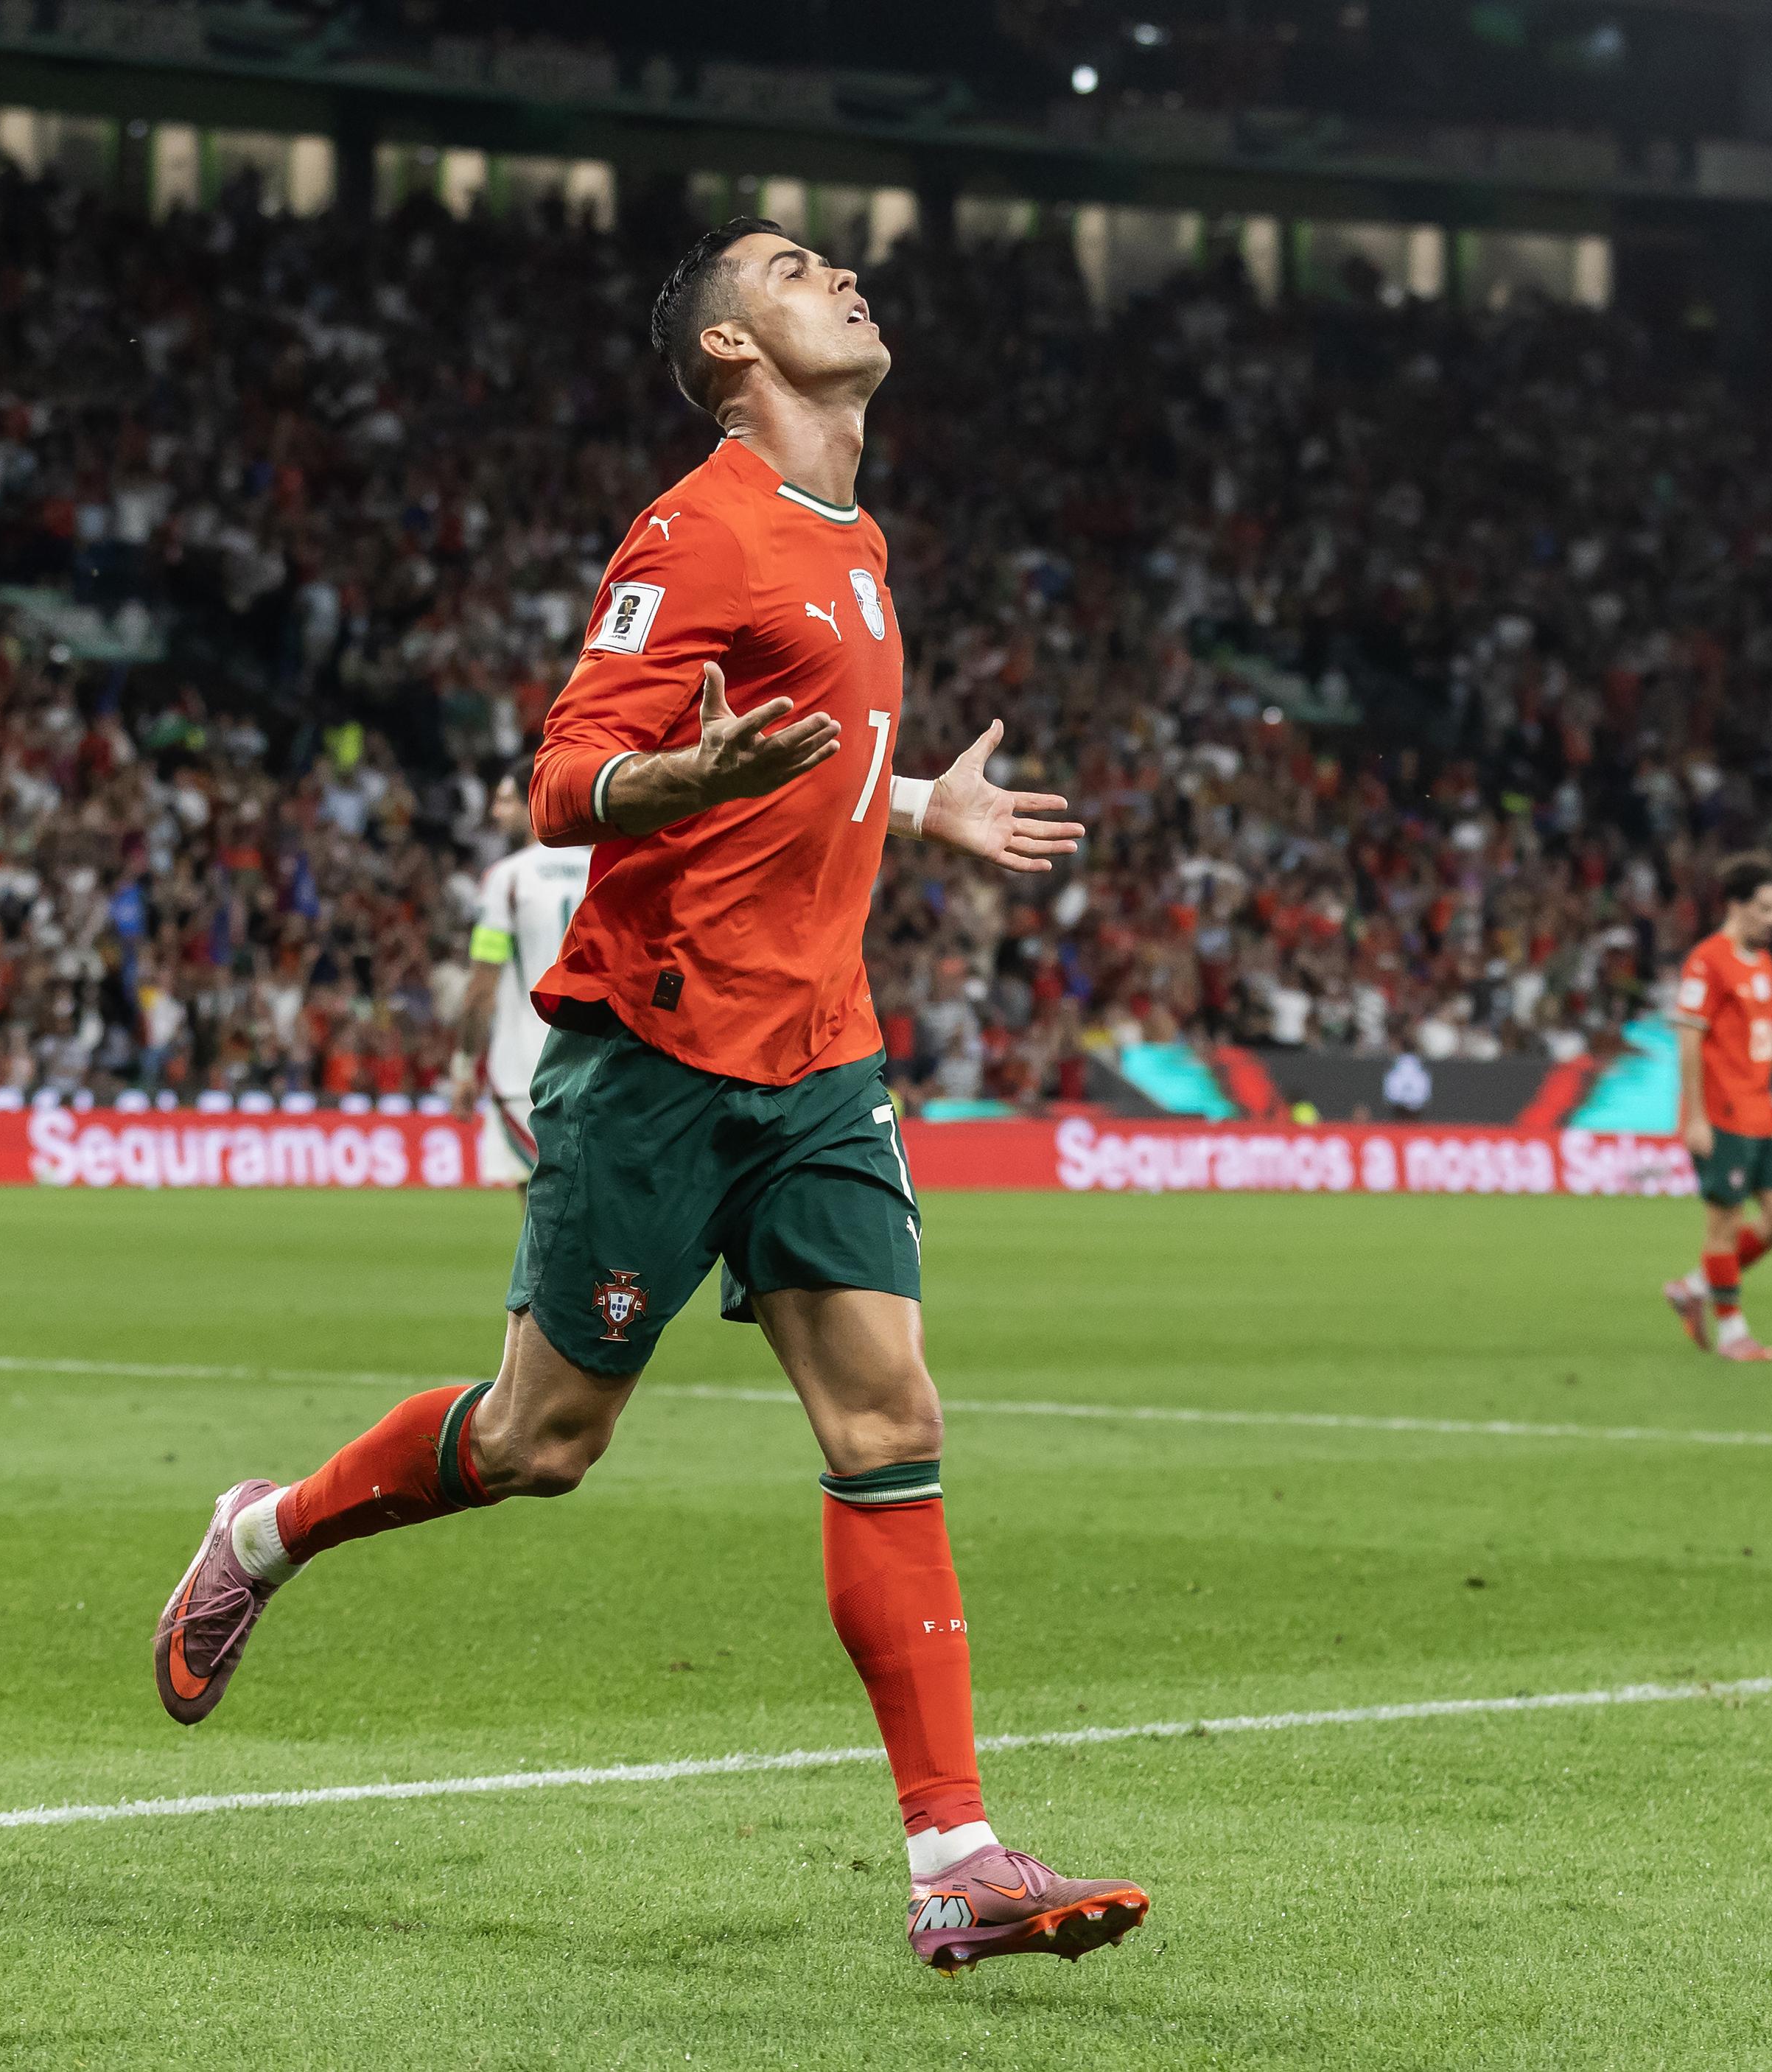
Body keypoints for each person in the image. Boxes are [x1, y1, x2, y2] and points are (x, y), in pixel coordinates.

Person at [150, 218, 1144, 1972]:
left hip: (821, 1056)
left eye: (832, 258)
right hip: (660, 1051)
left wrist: (918, 807)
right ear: (729, 354)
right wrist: (679, 769)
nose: (836, 273)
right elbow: (559, 776)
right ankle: (269, 1525)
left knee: (888, 1421)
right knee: (543, 1441)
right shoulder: (697, 526)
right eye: (789, 268)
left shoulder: (854, 535)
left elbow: (799, 755)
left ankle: (954, 1854)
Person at [1661, 854, 1772, 1362]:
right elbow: (1689, 1039)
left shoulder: (1762, 963)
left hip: (1760, 1112)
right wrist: (1694, 1116)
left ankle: (1694, 1287)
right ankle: (1733, 1334)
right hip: (1721, 1115)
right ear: (1737, 905)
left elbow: (1770, 1034)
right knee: (1723, 1225)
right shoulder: (1706, 961)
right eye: (1765, 909)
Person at [455, 760, 595, 1186]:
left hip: (525, 1071)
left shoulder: (506, 880)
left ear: (535, 804)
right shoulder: (602, 867)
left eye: (505, 801)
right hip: (598, 1066)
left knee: (538, 1213)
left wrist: (464, 1067)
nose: (496, 813)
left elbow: (483, 987)